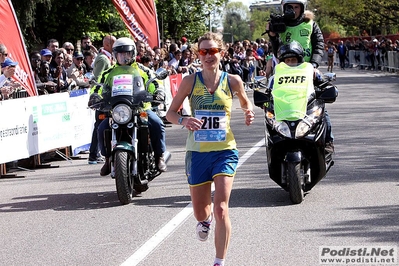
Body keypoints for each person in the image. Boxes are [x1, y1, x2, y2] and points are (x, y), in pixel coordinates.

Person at [165, 32, 254, 266]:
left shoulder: (233, 80)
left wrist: (248, 112)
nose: (208, 55)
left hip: (225, 150)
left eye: (212, 51)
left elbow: (246, 102)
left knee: (222, 209)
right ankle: (203, 222)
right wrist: (184, 120)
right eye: (203, 51)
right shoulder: (189, 82)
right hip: (197, 153)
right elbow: (170, 113)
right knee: (201, 212)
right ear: (198, 55)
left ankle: (219, 262)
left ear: (221, 53)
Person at [90, 37, 167, 175]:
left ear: (133, 53)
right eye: (120, 54)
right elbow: (98, 86)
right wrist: (94, 96)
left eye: (127, 54)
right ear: (115, 55)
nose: (124, 57)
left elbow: (154, 82)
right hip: (117, 110)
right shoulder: (108, 73)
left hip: (140, 108)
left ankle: (159, 156)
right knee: (101, 128)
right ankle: (107, 159)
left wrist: (158, 92)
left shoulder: (143, 69)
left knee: (157, 124)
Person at [270, 41, 334, 159]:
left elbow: (324, 80)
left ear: (299, 60)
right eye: (287, 61)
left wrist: (324, 80)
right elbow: (268, 92)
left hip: (306, 109)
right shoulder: (275, 76)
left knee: (324, 115)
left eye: (293, 60)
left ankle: (327, 144)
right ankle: (273, 152)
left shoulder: (310, 71)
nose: (290, 63)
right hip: (283, 111)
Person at [267, 0, 324, 69]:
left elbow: (319, 46)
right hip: (286, 69)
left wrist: (314, 64)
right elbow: (277, 52)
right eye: (290, 7)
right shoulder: (279, 25)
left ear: (302, 8)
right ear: (284, 8)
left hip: (307, 69)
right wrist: (272, 36)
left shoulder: (310, 24)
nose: (293, 10)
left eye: (296, 7)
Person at [87, 35, 116, 165]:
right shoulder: (103, 59)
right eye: (114, 44)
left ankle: (97, 153)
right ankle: (94, 154)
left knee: (101, 125)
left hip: (107, 97)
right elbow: (97, 79)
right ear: (108, 45)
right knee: (99, 126)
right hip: (102, 98)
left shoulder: (108, 57)